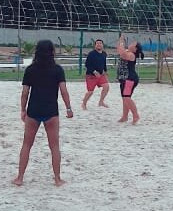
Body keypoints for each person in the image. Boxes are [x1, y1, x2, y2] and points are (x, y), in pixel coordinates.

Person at [13, 40, 73, 187]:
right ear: (52, 51)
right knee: (54, 146)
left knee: (27, 144)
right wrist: (69, 108)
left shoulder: (30, 69)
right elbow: (63, 91)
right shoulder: (58, 70)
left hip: (33, 110)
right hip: (51, 111)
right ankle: (57, 179)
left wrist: (22, 110)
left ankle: (20, 178)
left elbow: (25, 93)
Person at [116, 35, 144, 124]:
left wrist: (121, 41)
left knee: (126, 97)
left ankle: (136, 115)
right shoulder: (128, 52)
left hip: (129, 79)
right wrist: (120, 40)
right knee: (125, 98)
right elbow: (120, 50)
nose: (131, 44)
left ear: (135, 49)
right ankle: (124, 117)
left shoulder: (131, 55)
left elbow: (122, 53)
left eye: (133, 44)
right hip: (124, 78)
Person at [82, 39, 110, 109]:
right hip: (91, 75)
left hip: (100, 75)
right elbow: (87, 64)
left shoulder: (104, 54)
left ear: (103, 45)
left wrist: (105, 71)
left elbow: (104, 63)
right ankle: (84, 104)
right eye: (97, 43)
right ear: (95, 45)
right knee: (90, 92)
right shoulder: (91, 54)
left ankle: (101, 102)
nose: (99, 44)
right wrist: (94, 71)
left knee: (106, 87)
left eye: (100, 43)